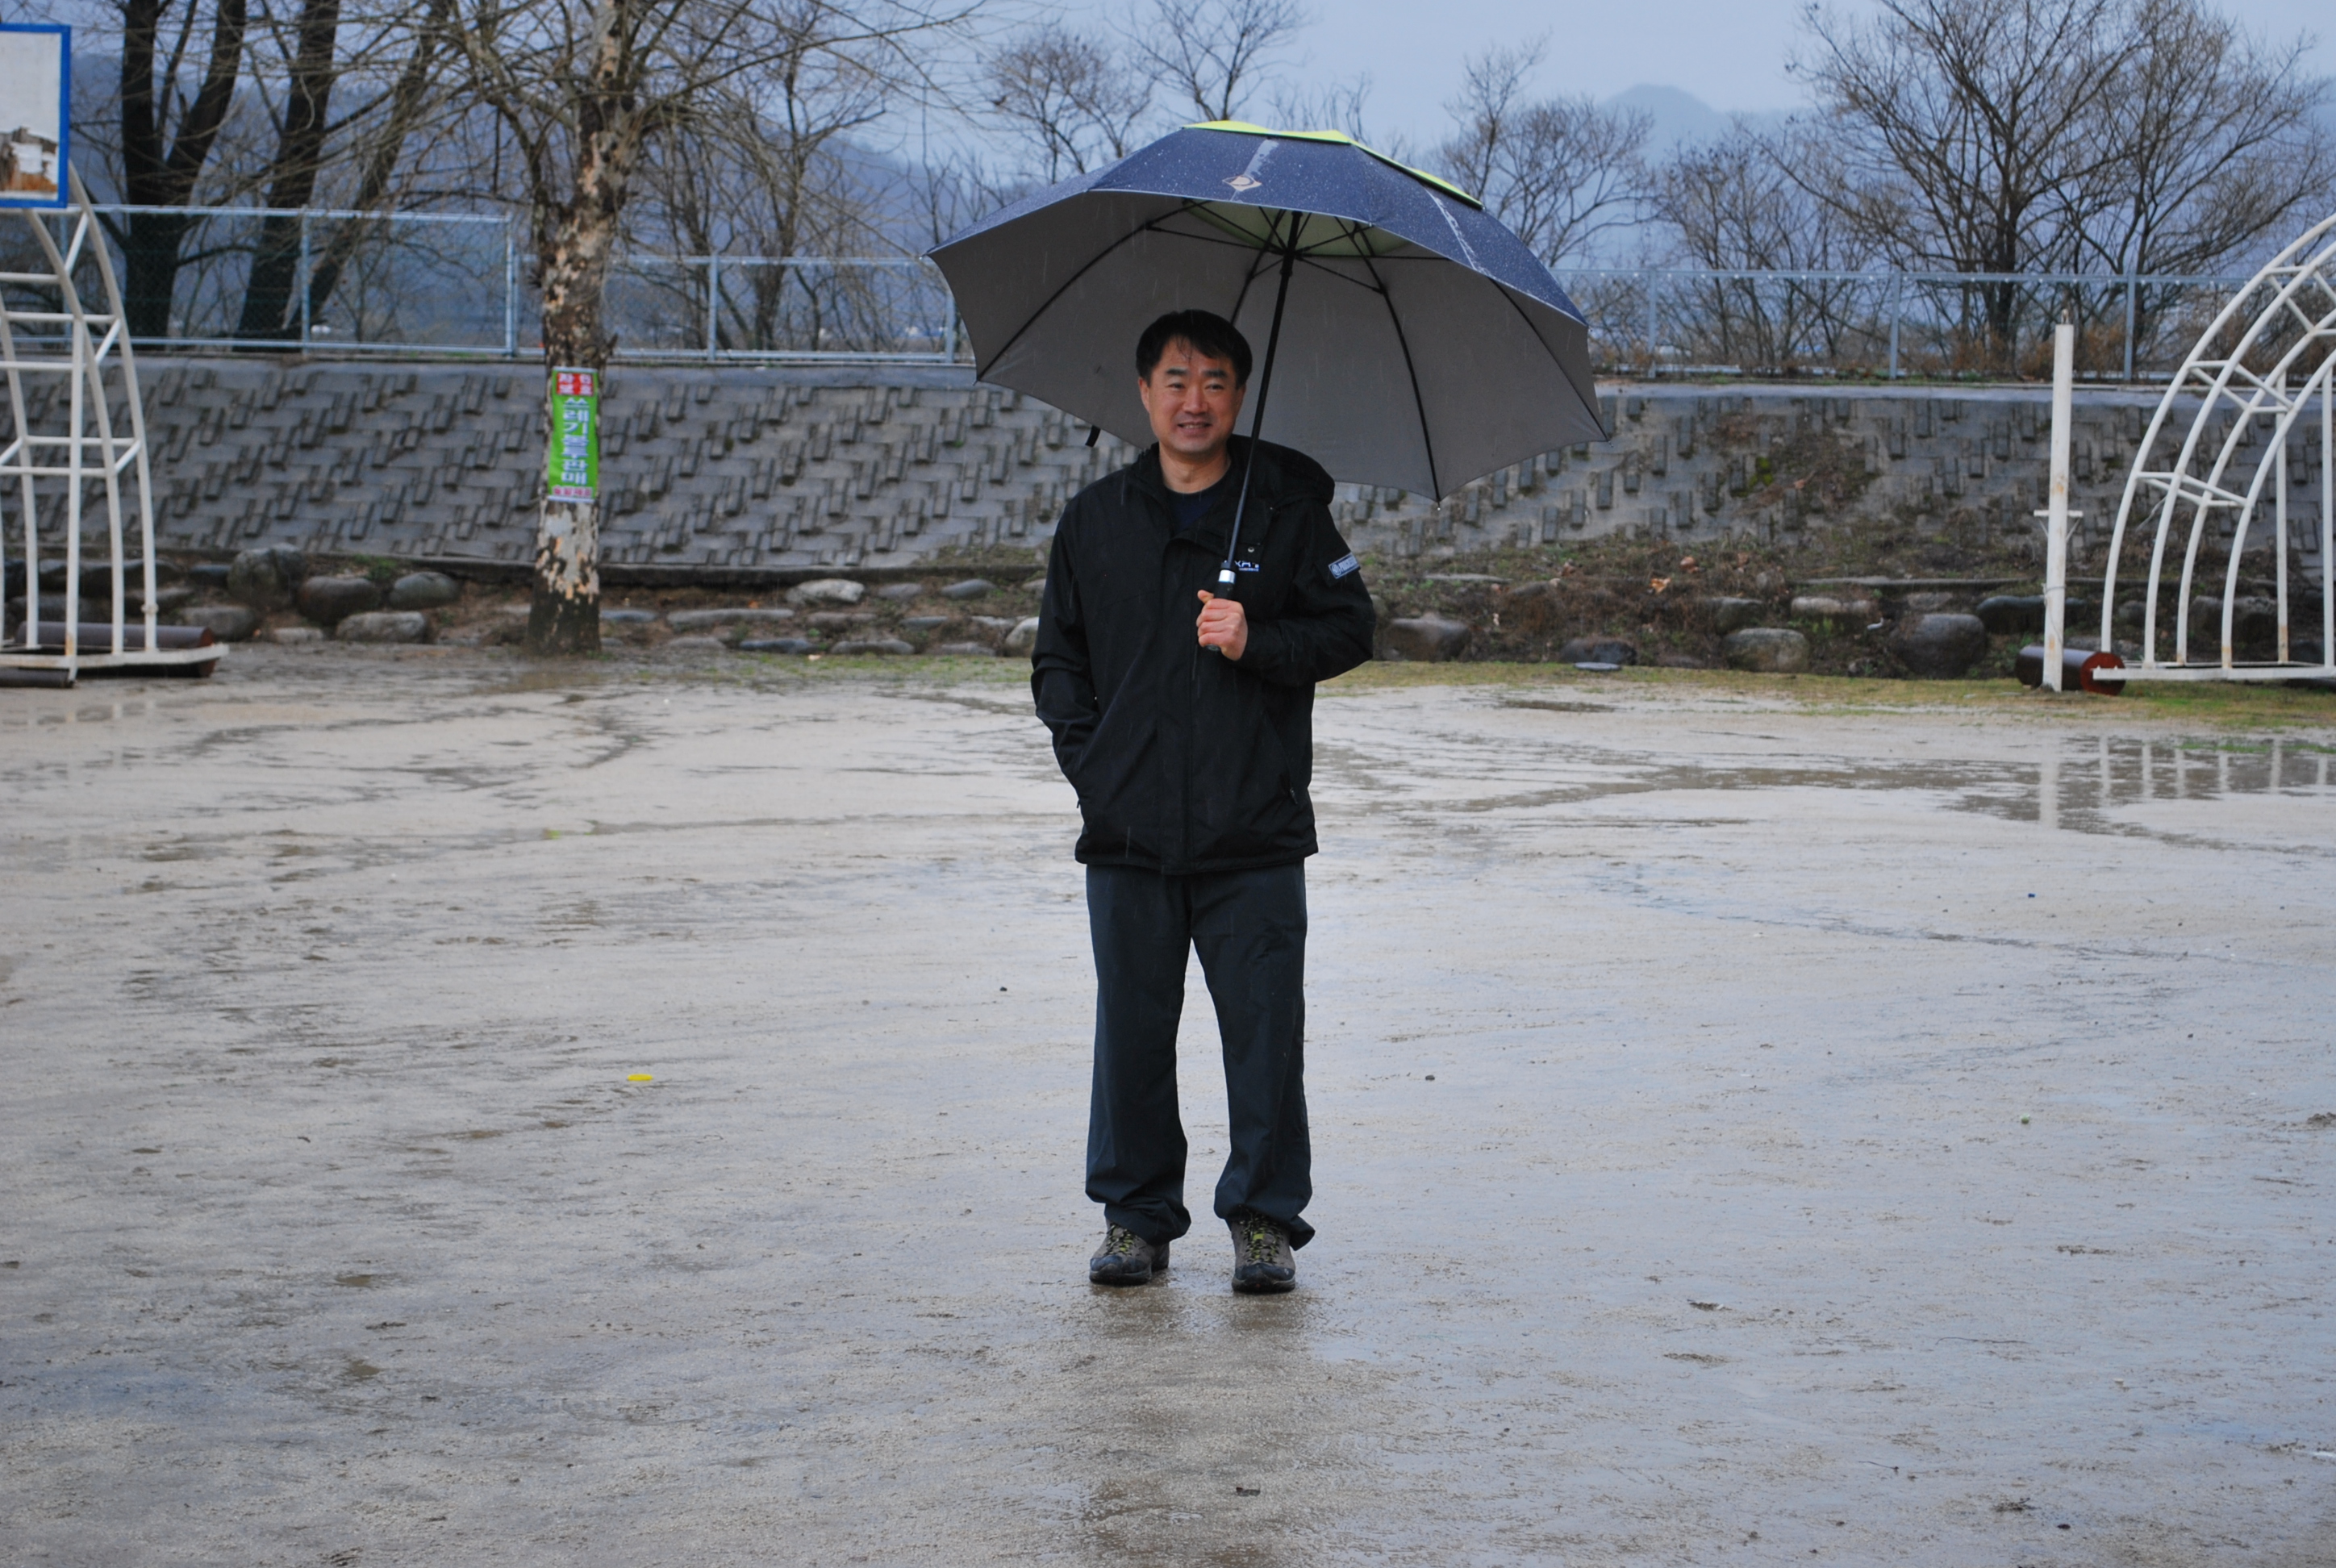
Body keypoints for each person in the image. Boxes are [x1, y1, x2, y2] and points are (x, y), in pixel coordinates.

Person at [1031, 309, 1375, 1294]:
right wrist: (1095, 769)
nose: (1195, 401)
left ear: (1240, 394)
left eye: (1215, 381)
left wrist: (1255, 641)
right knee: (1132, 1034)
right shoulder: (1095, 519)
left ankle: (1263, 1220)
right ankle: (1134, 1218)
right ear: (1144, 393)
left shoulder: (1286, 511)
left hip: (1252, 827)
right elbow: (1057, 663)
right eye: (1176, 381)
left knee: (1264, 1035)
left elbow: (1350, 629)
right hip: (1128, 831)